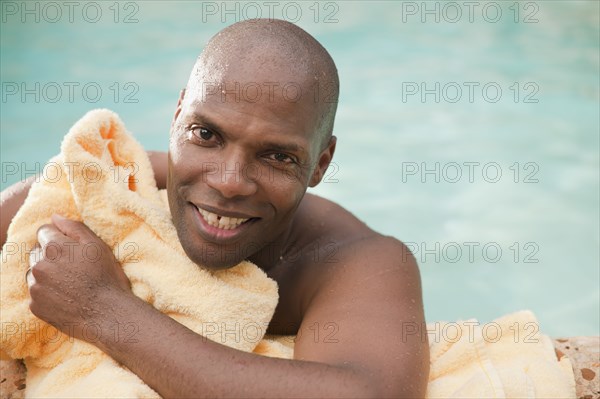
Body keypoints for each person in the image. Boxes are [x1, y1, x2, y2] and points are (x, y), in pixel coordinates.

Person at [0, 19, 429, 397]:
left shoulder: (354, 260)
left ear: (320, 164)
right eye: (206, 134)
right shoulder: (118, 185)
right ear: (176, 118)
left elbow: (368, 392)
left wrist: (103, 309)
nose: (228, 181)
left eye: (278, 156)